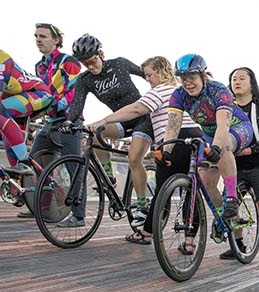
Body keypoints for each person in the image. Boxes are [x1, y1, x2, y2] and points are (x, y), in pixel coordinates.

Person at [85, 57, 202, 241]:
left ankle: (147, 233)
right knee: (190, 189)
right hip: (195, 137)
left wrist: (106, 120)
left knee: (163, 190)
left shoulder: (161, 89)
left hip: (174, 140)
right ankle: (190, 241)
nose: (147, 79)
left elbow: (137, 109)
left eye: (149, 74)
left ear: (161, 72)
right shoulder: (179, 91)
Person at [162, 54, 253, 255]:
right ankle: (225, 215)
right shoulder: (178, 95)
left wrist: (218, 148)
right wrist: (166, 151)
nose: (187, 82)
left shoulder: (218, 90)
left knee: (224, 147)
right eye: (182, 77)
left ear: (203, 75)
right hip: (209, 134)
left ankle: (231, 197)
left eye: (192, 77)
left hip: (237, 128)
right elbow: (172, 127)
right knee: (206, 181)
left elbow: (223, 125)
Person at [66, 34, 151, 227]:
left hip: (141, 118)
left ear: (101, 54)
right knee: (96, 133)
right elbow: (76, 106)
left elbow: (147, 75)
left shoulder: (120, 64)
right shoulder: (85, 80)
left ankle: (143, 205)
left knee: (133, 159)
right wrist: (69, 122)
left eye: (93, 61)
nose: (91, 67)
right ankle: (108, 179)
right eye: (85, 64)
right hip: (121, 120)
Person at [16, 23, 83, 220]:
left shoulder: (69, 62)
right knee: (34, 163)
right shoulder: (39, 66)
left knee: (74, 168)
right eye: (36, 36)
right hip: (49, 122)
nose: (38, 39)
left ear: (56, 40)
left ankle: (78, 216)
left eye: (43, 36)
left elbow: (74, 93)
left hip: (70, 121)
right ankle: (38, 206)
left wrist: (51, 108)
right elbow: (40, 94)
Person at [221, 67, 259, 269]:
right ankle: (238, 245)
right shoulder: (225, 108)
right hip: (235, 167)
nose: (236, 82)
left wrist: (247, 151)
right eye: (233, 79)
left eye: (241, 78)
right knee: (231, 205)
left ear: (252, 83)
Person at [1, 50, 54, 172]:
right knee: (9, 142)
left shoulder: (2, 59)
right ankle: (25, 181)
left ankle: (24, 162)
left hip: (39, 93)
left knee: (1, 111)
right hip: (15, 101)